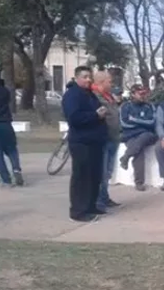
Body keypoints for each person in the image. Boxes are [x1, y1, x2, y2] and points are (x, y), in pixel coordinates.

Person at [62, 66, 108, 222]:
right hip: (81, 142)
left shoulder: (89, 94)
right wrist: (95, 115)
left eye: (90, 77)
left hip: (94, 141)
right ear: (76, 78)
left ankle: (90, 205)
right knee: (82, 176)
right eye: (84, 77)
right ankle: (78, 211)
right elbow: (74, 118)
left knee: (94, 175)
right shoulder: (72, 95)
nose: (88, 80)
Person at [119, 84, 157, 191]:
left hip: (146, 134)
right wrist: (141, 123)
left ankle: (126, 157)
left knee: (144, 136)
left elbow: (152, 122)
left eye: (144, 94)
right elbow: (124, 123)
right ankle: (139, 182)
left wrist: (134, 120)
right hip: (130, 135)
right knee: (138, 152)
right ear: (132, 94)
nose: (143, 96)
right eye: (140, 94)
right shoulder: (125, 106)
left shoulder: (149, 106)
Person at [91, 71, 121, 210]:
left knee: (108, 171)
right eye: (109, 81)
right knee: (101, 172)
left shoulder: (108, 96)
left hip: (113, 137)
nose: (111, 83)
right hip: (103, 138)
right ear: (101, 82)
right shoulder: (94, 96)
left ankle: (104, 196)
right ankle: (98, 200)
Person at [0, 73, 23, 187]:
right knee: (12, 150)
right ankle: (16, 169)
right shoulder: (5, 91)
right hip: (6, 123)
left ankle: (6, 180)